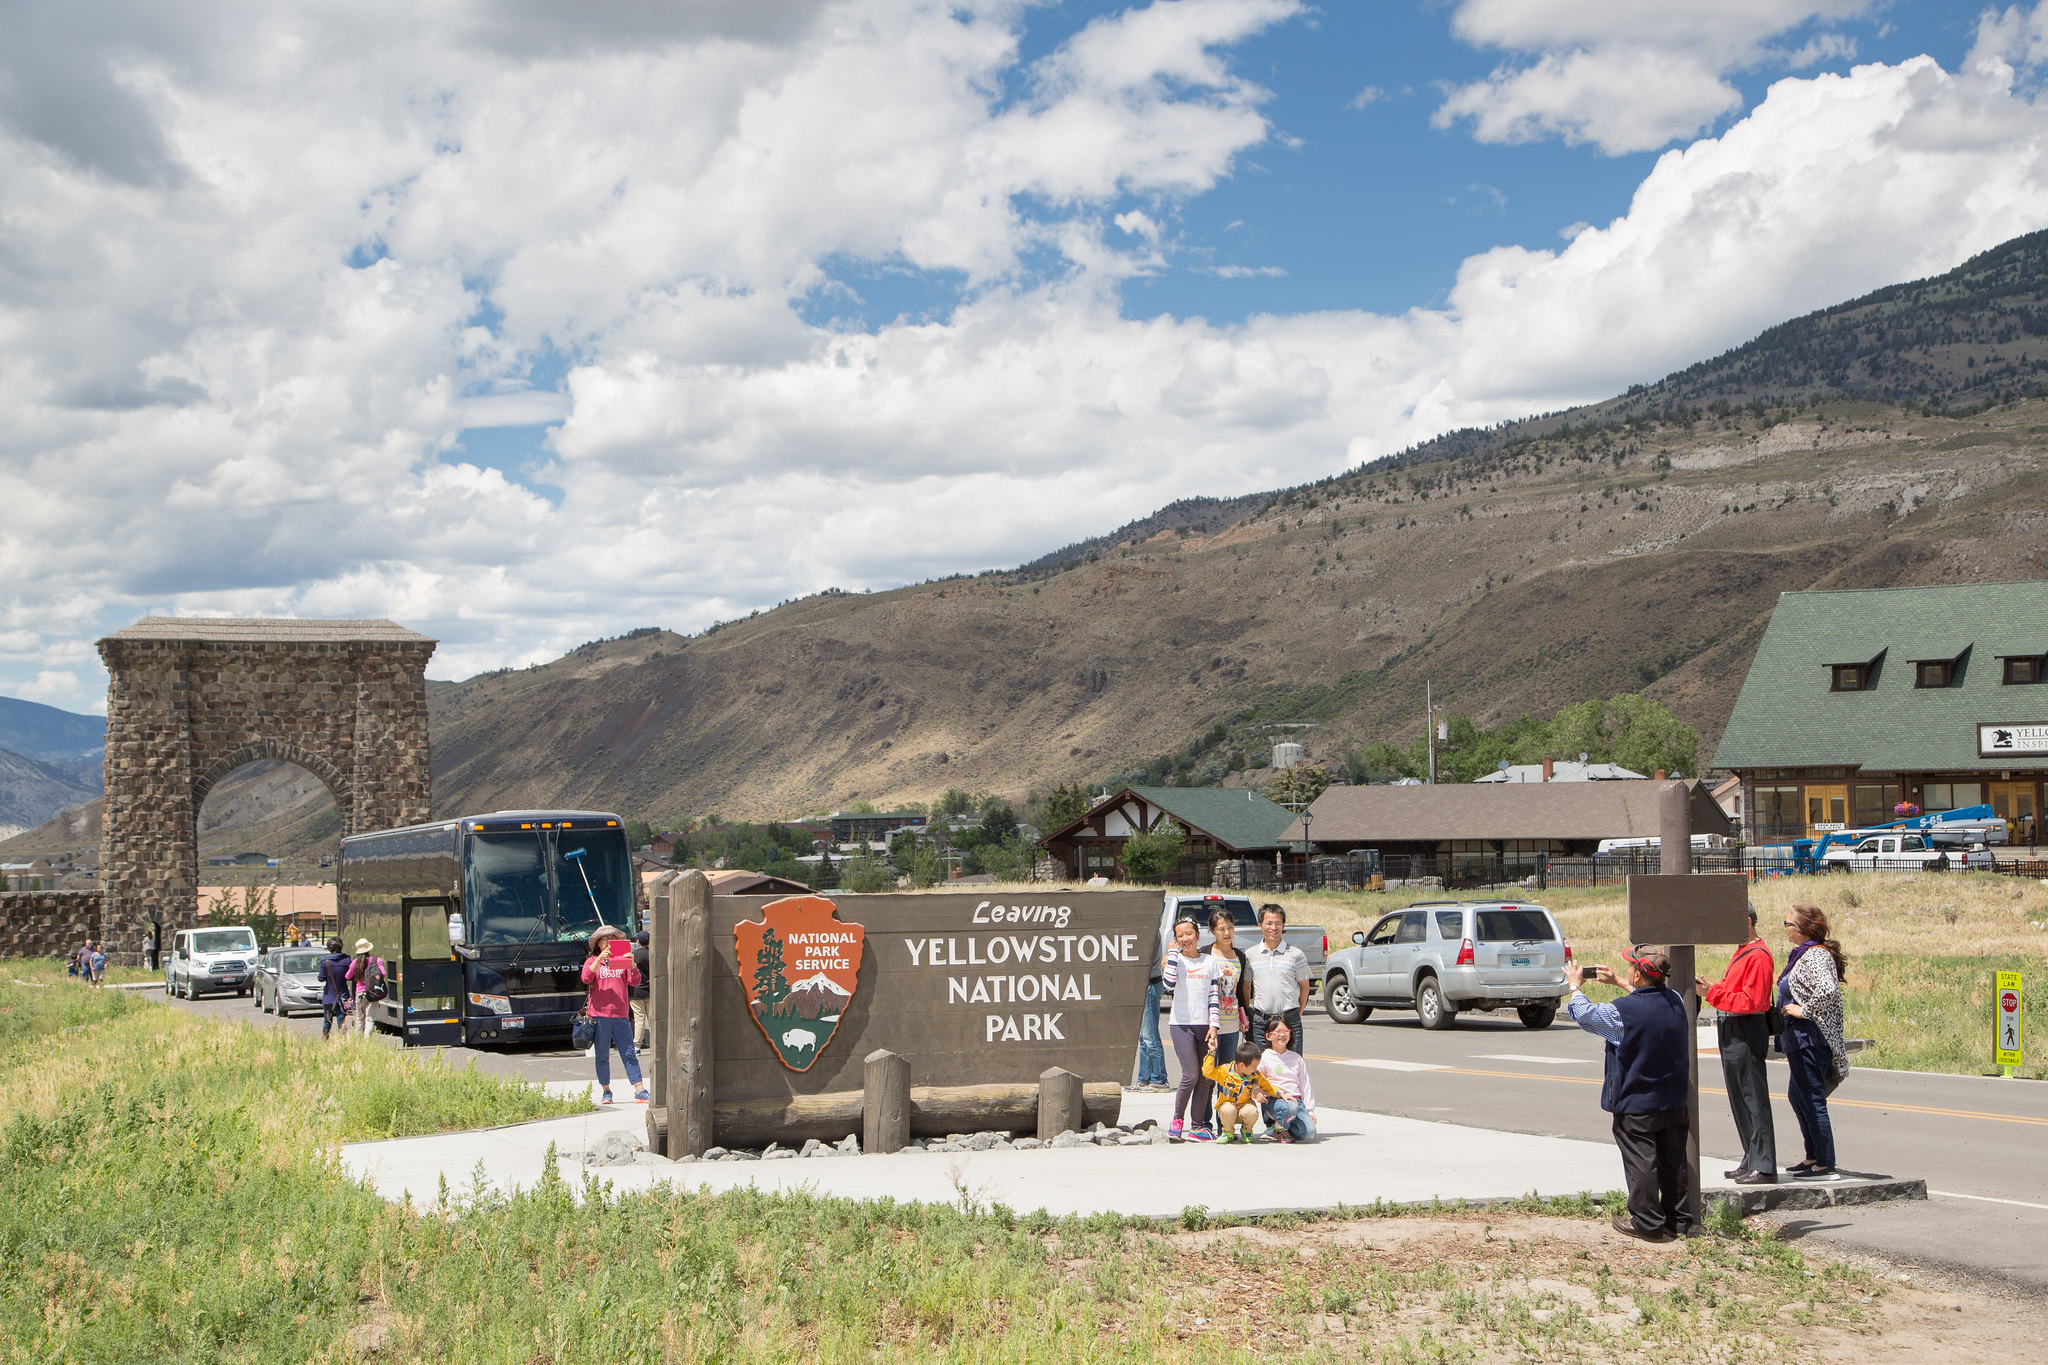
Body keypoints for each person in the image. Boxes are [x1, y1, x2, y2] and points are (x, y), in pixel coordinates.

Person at [1567, 946, 1693, 1242]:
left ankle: (1648, 1223)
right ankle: (1679, 1221)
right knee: (1673, 1163)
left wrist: (1575, 985)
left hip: (1637, 1102)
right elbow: (1647, 999)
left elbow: (1584, 1015)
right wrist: (1619, 983)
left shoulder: (1621, 1012)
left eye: (1630, 968)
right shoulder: (1675, 1000)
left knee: (1642, 1163)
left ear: (1637, 973)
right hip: (1673, 1098)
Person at [1700, 903, 1777, 1184]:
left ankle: (1765, 1165)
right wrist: (1711, 990)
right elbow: (1734, 991)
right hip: (1733, 1028)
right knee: (1739, 1097)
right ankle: (1751, 1157)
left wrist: (1712, 995)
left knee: (1752, 1097)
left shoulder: (1758, 955)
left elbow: (1752, 1001)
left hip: (1745, 1028)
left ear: (1746, 921)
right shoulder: (1743, 951)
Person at [1778, 903, 1850, 1181]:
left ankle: (1825, 1162)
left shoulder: (1816, 955)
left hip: (1811, 1038)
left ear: (1803, 928)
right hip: (1798, 1039)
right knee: (1798, 1097)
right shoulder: (1802, 954)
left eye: (1788, 924)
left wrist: (1803, 1010)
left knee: (1811, 1098)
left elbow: (1828, 990)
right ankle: (1812, 1156)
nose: (1785, 929)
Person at [1160, 915, 1221, 1142]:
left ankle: (1197, 1126)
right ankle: (1177, 1121)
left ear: (1197, 934)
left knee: (1206, 1076)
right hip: (1181, 1024)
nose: (1186, 938)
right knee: (1191, 1074)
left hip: (1205, 1025)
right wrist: (1174, 955)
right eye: (1180, 935)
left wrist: (1214, 1026)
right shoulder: (1175, 960)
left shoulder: (1209, 961)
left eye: (1189, 933)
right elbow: (1167, 985)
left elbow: (1214, 996)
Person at [1198, 908, 1251, 1132]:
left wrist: (1243, 1014)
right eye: (1221, 929)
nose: (1227, 932)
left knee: (1228, 1077)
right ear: (1212, 931)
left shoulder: (1239, 955)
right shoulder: (1204, 954)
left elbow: (1240, 992)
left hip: (1231, 1026)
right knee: (1209, 1075)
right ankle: (1203, 1122)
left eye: (1230, 928)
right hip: (1209, 1024)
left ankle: (1224, 1124)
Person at [582, 925, 648, 1104]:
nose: (609, 943)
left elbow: (634, 981)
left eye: (612, 939)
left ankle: (639, 1088)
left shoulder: (621, 959)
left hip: (620, 1014)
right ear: (599, 944)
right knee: (602, 1054)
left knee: (628, 1052)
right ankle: (606, 1091)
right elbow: (586, 978)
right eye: (605, 940)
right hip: (599, 1014)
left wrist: (632, 965)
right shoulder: (593, 961)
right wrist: (598, 961)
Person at [1245, 904, 1309, 1058]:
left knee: (1292, 1066)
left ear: (1283, 925)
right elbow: (1246, 987)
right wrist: (1247, 1014)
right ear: (1260, 925)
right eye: (1269, 923)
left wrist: (1296, 1014)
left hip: (1289, 1020)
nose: (1273, 927)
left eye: (1278, 923)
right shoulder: (1250, 954)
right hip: (1261, 1022)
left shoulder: (1296, 954)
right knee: (1263, 1069)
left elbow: (1304, 987)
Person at [1255, 1019, 1316, 1142]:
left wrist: (1310, 1111)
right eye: (1277, 1031)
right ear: (1268, 1036)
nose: (1282, 1035)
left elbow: (1305, 1085)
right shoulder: (1264, 1057)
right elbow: (1255, 1079)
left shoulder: (1296, 1058)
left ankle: (1279, 1128)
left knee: (1309, 1132)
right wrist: (1256, 1091)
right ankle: (1279, 1130)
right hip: (1275, 1101)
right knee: (1290, 1107)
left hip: (1297, 1102)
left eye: (1285, 1031)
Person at [1202, 1041, 1277, 1142]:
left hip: (1244, 1106)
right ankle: (1228, 1132)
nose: (1256, 1069)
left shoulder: (1255, 1076)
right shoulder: (1225, 1071)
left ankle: (1247, 1130)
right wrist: (1211, 1053)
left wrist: (1281, 1094)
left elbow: (1269, 1087)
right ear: (1241, 1065)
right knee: (1227, 1109)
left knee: (1252, 1111)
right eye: (1254, 1066)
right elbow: (1208, 1072)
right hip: (1228, 1106)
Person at [1133, 915, 1170, 1092]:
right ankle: (1143, 1078)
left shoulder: (1150, 932)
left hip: (1149, 984)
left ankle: (1159, 1078)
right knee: (1142, 1036)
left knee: (1150, 1035)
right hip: (1142, 986)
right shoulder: (1140, 931)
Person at [345, 938, 386, 1037]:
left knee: (360, 1019)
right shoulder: (376, 960)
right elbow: (383, 973)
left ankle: (358, 1042)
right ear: (369, 949)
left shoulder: (355, 962)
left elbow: (347, 976)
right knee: (370, 1018)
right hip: (373, 992)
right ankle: (367, 1042)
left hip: (360, 993)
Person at [317, 937, 351, 1039]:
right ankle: (343, 1041)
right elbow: (351, 976)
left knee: (327, 1021)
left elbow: (321, 978)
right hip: (343, 996)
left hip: (329, 997)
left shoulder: (325, 962)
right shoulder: (347, 960)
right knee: (341, 1021)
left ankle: (325, 1040)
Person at [630, 930, 652, 1050]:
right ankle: (655, 1043)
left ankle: (637, 1045)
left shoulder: (633, 955)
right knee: (652, 1018)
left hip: (636, 991)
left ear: (638, 942)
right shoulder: (653, 954)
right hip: (650, 990)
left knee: (639, 1019)